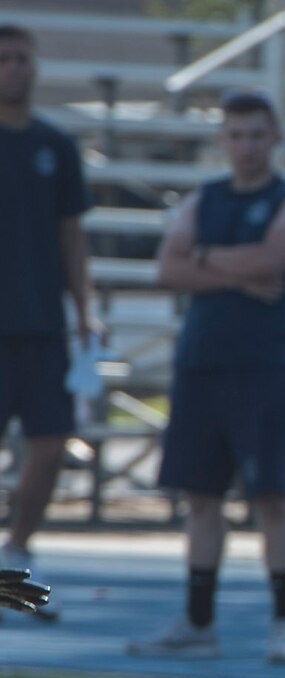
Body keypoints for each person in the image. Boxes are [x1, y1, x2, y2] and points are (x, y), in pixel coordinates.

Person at [128, 91, 285, 666]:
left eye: (257, 134)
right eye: (235, 135)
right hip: (200, 367)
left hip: (260, 369)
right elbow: (167, 267)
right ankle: (197, 622)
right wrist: (233, 270)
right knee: (201, 498)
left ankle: (284, 623)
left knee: (272, 497)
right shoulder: (203, 199)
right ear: (222, 140)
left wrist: (204, 260)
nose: (246, 146)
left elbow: (273, 259)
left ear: (276, 138)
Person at [0, 23, 96, 624]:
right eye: (4, 58)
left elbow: (72, 234)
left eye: (22, 58)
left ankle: (14, 566)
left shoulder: (55, 146)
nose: (14, 67)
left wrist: (86, 308)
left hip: (41, 327)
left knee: (51, 447)